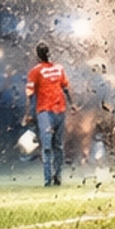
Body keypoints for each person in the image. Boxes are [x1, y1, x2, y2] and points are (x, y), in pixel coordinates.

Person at [26, 45, 70, 188]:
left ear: (37, 55)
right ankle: (55, 176)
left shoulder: (35, 71)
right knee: (57, 146)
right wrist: (72, 103)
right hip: (59, 110)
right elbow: (66, 88)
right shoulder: (59, 69)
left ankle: (50, 179)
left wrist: (29, 113)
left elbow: (30, 94)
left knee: (48, 146)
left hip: (45, 112)